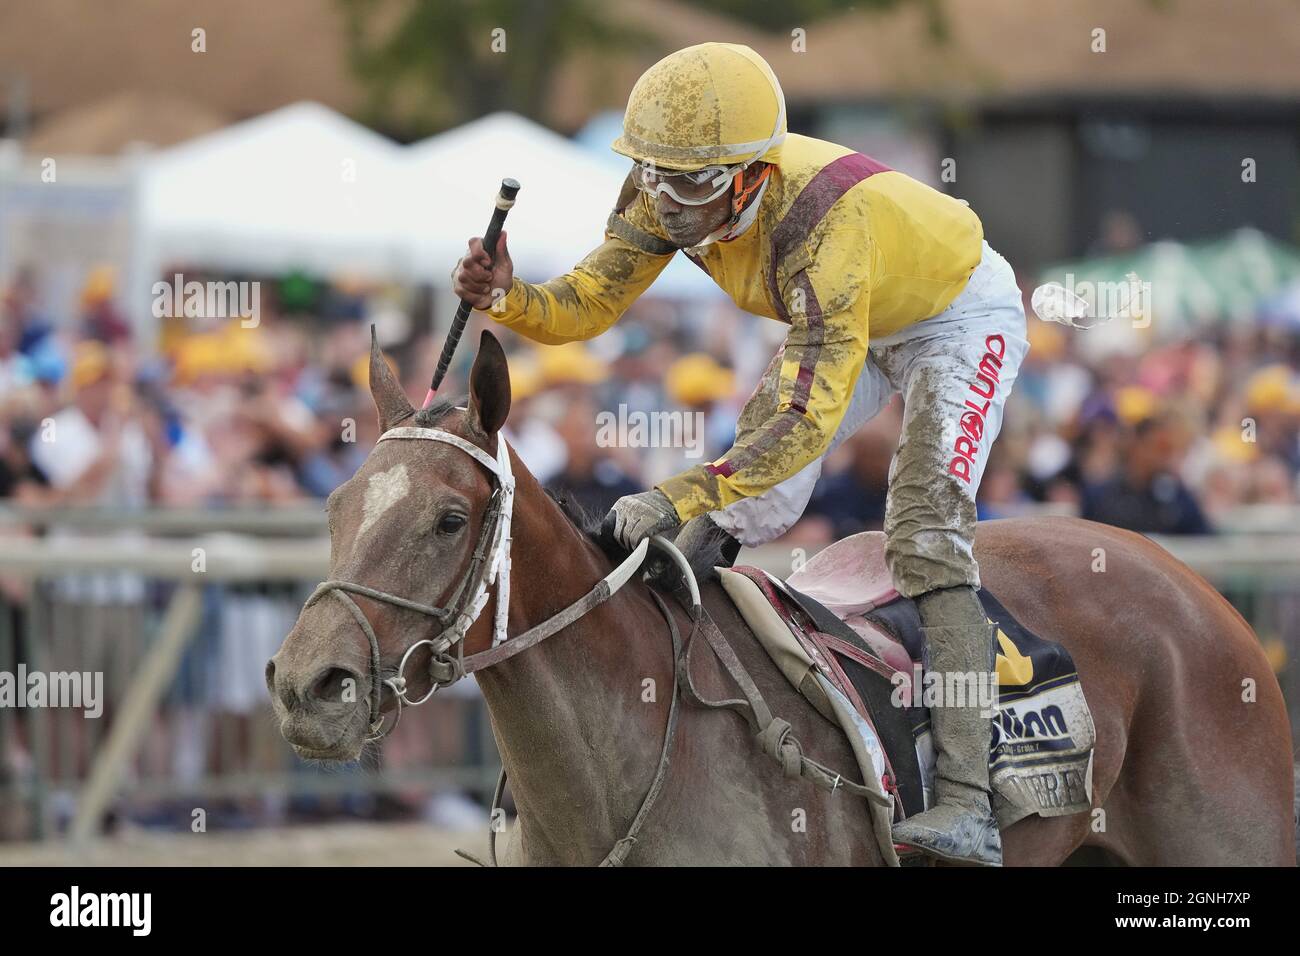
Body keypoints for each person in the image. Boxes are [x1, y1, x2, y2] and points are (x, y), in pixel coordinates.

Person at [452, 42, 1029, 865]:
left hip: (954, 318)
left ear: (753, 175)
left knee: (925, 530)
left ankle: (970, 799)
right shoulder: (670, 186)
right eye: (653, 175)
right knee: (747, 497)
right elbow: (589, 302)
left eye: (690, 184)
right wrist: (507, 295)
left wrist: (677, 495)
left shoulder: (826, 231)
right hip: (853, 314)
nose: (669, 204)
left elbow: (801, 424)